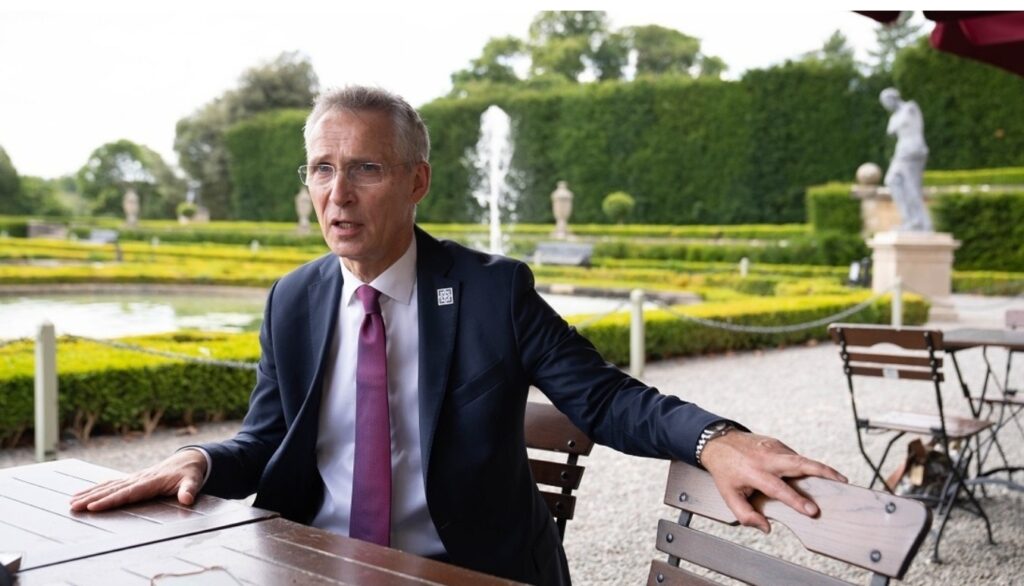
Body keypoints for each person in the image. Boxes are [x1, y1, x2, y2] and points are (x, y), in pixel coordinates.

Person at [71, 86, 845, 585]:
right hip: (318, 566)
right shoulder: (294, 299)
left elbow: (603, 398)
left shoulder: (491, 292)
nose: (338, 195)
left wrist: (713, 440)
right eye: (322, 170)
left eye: (366, 169)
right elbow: (270, 439)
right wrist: (200, 459)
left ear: (417, 181)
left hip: (465, 572)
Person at [880, 87, 933, 231]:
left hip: (913, 150)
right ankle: (910, 219)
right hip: (901, 151)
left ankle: (920, 222)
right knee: (892, 181)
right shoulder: (894, 117)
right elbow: (891, 130)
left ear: (893, 98)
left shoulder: (910, 108)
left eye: (886, 101)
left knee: (911, 186)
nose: (886, 105)